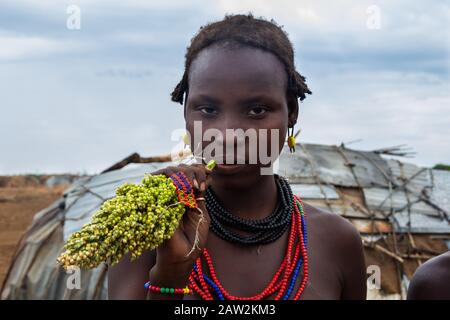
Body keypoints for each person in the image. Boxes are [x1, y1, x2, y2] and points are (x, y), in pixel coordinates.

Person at [108, 13, 366, 300]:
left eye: (256, 110)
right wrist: (170, 274)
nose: (228, 134)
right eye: (207, 109)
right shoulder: (146, 233)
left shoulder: (337, 241)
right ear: (185, 114)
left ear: (291, 111)